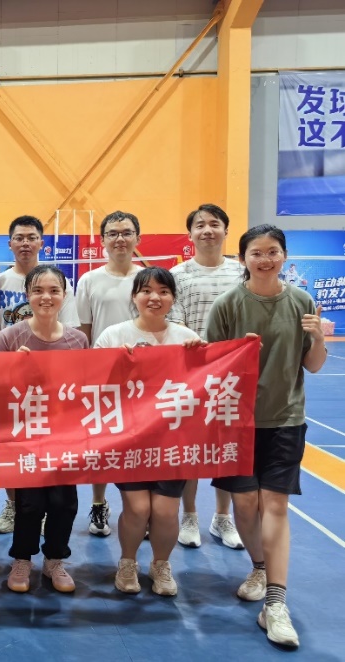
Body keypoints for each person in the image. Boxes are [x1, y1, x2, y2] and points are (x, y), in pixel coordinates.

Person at [207, 224, 326, 648]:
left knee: (275, 505)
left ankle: (276, 602)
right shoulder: (227, 305)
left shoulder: (301, 301)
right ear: (243, 259)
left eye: (273, 251)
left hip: (285, 418)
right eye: (256, 253)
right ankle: (259, 566)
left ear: (284, 256)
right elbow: (209, 367)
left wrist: (318, 337)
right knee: (245, 504)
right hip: (235, 422)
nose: (265, 259)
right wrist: (238, 356)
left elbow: (313, 365)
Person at [95, 267, 203, 597]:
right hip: (129, 440)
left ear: (173, 298)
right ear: (134, 296)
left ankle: (160, 564)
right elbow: (93, 384)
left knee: (166, 511)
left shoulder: (187, 338)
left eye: (163, 291)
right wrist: (117, 364)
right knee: (139, 508)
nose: (154, 297)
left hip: (172, 441)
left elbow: (206, 385)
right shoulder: (113, 336)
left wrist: (201, 357)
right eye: (146, 291)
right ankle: (127, 562)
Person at [0, 215, 80, 534]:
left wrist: (47, 366)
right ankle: (13, 504)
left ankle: (46, 509)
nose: (25, 243)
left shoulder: (59, 282)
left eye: (31, 237)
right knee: (13, 445)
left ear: (41, 243)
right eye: (19, 237)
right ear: (10, 244)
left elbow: (70, 332)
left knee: (52, 446)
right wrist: (11, 359)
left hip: (53, 384)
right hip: (14, 380)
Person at [0, 264, 86, 593]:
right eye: (38, 291)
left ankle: (54, 560)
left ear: (64, 295)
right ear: (27, 295)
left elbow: (86, 389)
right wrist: (11, 369)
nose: (46, 297)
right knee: (29, 504)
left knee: (64, 503)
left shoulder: (78, 340)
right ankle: (22, 560)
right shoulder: (9, 337)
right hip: (25, 438)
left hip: (64, 438)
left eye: (54, 291)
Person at [170, 204, 244, 550]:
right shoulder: (177, 275)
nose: (207, 230)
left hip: (233, 374)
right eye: (200, 225)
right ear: (190, 234)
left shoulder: (242, 274)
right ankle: (189, 516)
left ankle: (222, 517)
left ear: (226, 231)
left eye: (214, 224)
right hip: (192, 374)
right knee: (190, 449)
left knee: (226, 448)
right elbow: (174, 322)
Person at [75, 210, 143, 538]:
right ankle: (99, 504)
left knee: (139, 445)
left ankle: (138, 509)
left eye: (126, 232)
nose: (120, 239)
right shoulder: (89, 281)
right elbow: (84, 333)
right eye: (113, 233)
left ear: (137, 238)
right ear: (102, 240)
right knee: (102, 446)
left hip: (143, 378)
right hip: (103, 378)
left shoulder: (148, 278)